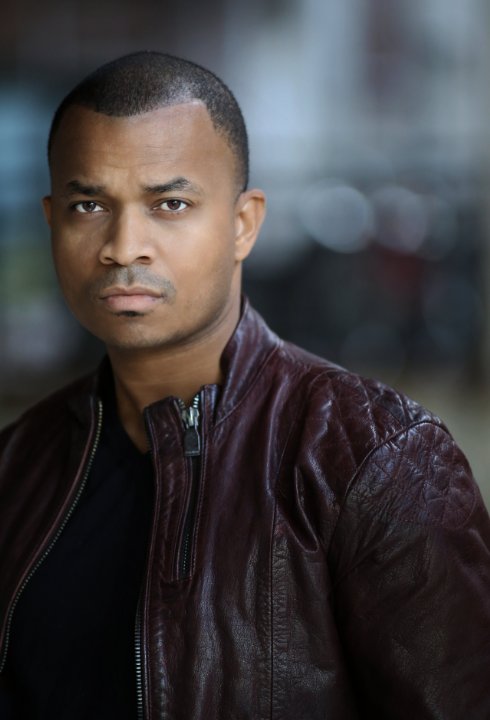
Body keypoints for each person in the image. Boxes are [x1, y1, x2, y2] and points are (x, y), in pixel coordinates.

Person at [0, 51, 489, 720]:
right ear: (53, 220)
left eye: (170, 204)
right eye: (89, 205)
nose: (123, 245)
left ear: (243, 224)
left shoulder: (375, 460)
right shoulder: (17, 467)